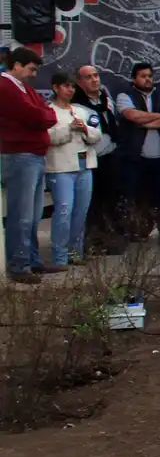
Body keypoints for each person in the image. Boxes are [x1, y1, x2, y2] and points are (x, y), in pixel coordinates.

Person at [1, 48, 61, 282]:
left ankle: (32, 260)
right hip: (19, 155)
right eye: (31, 69)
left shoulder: (24, 89)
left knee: (33, 216)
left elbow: (47, 113)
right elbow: (37, 116)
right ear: (16, 65)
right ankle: (19, 265)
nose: (34, 75)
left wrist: (44, 114)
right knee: (21, 215)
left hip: (34, 155)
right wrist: (44, 115)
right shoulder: (5, 87)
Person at [116, 62, 160, 243]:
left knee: (159, 195)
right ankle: (138, 230)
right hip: (136, 156)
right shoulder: (125, 95)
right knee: (136, 194)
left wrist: (146, 124)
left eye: (150, 76)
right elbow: (132, 116)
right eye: (143, 76)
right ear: (134, 78)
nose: (148, 79)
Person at [45, 73, 102, 267]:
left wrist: (84, 129)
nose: (70, 90)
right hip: (60, 167)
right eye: (66, 86)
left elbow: (97, 134)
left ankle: (75, 253)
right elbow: (48, 137)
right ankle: (59, 257)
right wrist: (69, 128)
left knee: (81, 211)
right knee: (64, 210)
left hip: (84, 165)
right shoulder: (48, 111)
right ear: (56, 88)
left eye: (72, 86)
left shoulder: (82, 111)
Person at [75, 64, 123, 255]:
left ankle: (110, 237)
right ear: (79, 82)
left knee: (111, 198)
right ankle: (92, 239)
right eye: (88, 77)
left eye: (96, 75)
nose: (94, 80)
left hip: (110, 155)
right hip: (90, 159)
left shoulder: (106, 100)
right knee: (92, 202)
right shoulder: (77, 105)